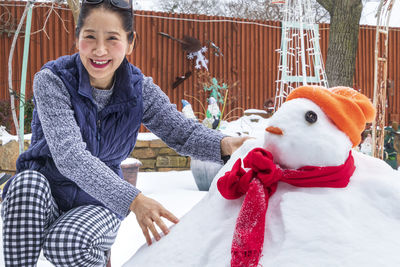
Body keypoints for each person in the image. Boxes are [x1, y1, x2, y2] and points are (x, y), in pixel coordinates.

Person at [0, 0, 248, 266]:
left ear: (131, 43)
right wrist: (134, 199)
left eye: (112, 38)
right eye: (90, 37)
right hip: (43, 194)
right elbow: (70, 156)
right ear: (77, 38)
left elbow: (182, 133)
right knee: (25, 185)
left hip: (97, 201)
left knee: (65, 242)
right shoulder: (53, 80)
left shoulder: (139, 90)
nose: (100, 49)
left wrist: (226, 143)